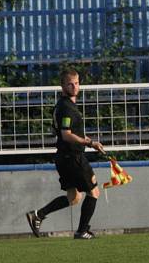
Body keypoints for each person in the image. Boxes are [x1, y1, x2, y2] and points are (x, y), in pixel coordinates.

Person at [25, 68, 105, 239]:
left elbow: (72, 133)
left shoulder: (64, 105)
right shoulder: (67, 108)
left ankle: (38, 215)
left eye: (76, 83)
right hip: (72, 157)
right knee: (94, 192)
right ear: (62, 85)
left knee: (74, 197)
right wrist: (89, 142)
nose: (74, 87)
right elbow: (66, 134)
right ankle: (82, 231)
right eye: (70, 84)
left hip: (63, 157)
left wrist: (92, 143)